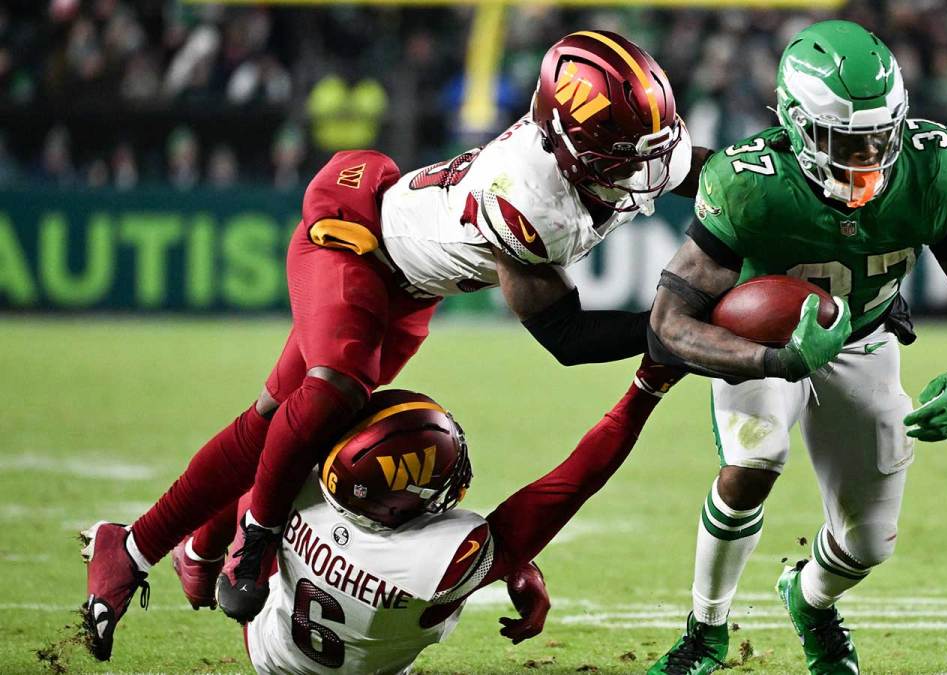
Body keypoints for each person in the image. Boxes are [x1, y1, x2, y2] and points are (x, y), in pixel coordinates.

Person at [79, 30, 711, 661]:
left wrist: (780, 192)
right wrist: (687, 325)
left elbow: (718, 178)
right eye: (623, 155)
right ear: (566, 144)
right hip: (356, 240)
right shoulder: (527, 199)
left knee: (276, 423)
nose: (645, 170)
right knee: (332, 390)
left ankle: (145, 545)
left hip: (407, 293)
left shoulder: (625, 150)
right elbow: (567, 337)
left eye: (648, 149)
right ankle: (255, 538)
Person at [644, 20, 947, 675]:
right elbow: (668, 324)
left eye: (881, 137)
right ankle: (705, 631)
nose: (867, 156)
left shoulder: (928, 170)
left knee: (869, 541)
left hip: (863, 333)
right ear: (795, 126)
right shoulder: (751, 183)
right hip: (762, 339)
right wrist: (778, 360)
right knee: (757, 453)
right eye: (844, 141)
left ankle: (811, 598)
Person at [82, 357, 684, 672]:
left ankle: (199, 554)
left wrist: (516, 563)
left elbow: (263, 467)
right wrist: (645, 391)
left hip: (269, 648)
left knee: (260, 470)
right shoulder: (445, 555)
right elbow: (570, 484)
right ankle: (205, 554)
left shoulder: (309, 491)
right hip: (357, 658)